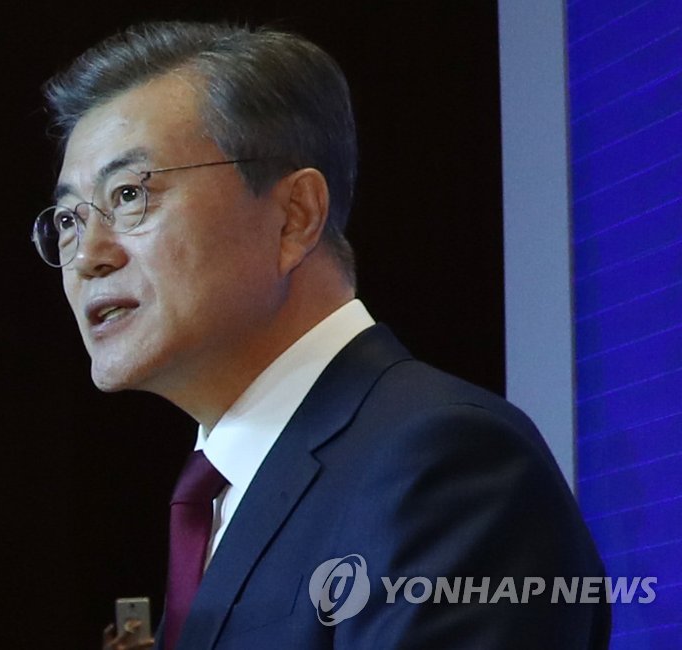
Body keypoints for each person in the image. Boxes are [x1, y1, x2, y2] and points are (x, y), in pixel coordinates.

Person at [32, 21, 610, 650]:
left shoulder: (447, 463)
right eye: (68, 220)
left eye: (128, 195)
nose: (86, 255)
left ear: (295, 216)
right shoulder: (221, 494)